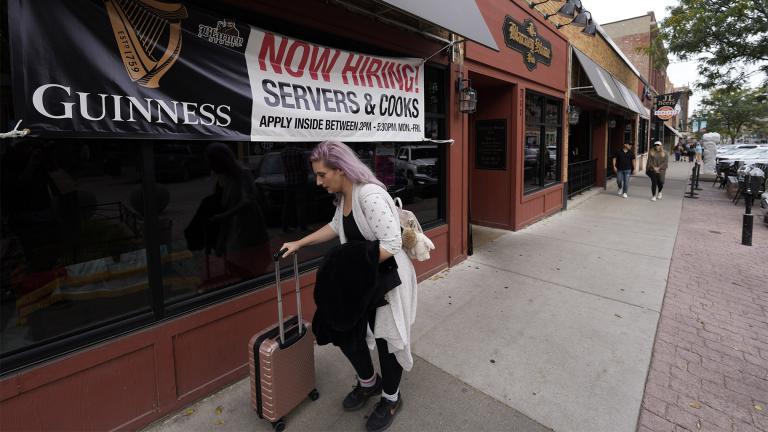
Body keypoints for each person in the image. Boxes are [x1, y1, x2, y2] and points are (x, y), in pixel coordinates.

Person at [280, 140, 416, 432]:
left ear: (340, 169)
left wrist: (347, 265)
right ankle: (369, 382)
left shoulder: (370, 196)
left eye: (321, 175)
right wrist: (299, 243)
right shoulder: (345, 196)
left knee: (386, 340)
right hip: (361, 279)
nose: (318, 182)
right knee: (343, 331)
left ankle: (391, 398)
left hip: (386, 280)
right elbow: (335, 227)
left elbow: (392, 244)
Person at [206, 143, 270, 279]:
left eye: (213, 161)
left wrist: (223, 216)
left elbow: (248, 201)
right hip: (234, 235)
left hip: (248, 233)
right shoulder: (222, 179)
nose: (210, 166)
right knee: (239, 269)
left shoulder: (242, 174)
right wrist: (220, 241)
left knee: (250, 271)